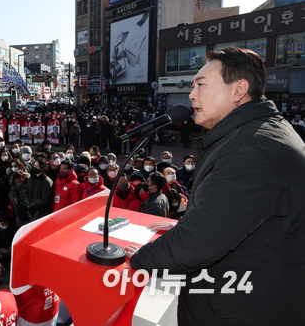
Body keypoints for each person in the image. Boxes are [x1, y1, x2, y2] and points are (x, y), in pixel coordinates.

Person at [125, 48, 305, 325]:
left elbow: (196, 244)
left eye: (201, 85)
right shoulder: (257, 132)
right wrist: (189, 223)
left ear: (238, 90)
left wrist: (135, 259)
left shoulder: (251, 149)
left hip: (239, 309)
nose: (191, 95)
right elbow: (237, 217)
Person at [22, 158, 53, 225]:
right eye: (34, 165)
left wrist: (32, 205)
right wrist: (28, 204)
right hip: (31, 211)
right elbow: (26, 192)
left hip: (41, 212)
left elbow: (45, 199)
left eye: (37, 166)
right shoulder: (32, 178)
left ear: (42, 167)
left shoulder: (47, 181)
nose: (35, 167)